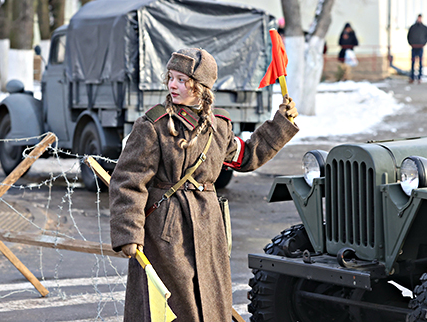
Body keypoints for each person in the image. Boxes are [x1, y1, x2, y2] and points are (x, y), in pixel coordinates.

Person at [109, 48, 299, 321]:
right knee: (171, 308)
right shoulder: (154, 126)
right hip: (166, 232)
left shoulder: (218, 125)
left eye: (182, 80)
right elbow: (128, 181)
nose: (173, 85)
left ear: (201, 87)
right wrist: (129, 233)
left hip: (209, 228)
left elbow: (245, 156)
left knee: (210, 303)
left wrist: (281, 123)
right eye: (171, 78)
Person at [407, 14, 427, 83]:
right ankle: (412, 77)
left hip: (420, 47)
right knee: (413, 63)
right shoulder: (413, 27)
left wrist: (423, 43)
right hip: (414, 47)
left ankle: (419, 77)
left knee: (420, 62)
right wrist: (411, 43)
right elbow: (409, 36)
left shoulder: (424, 28)